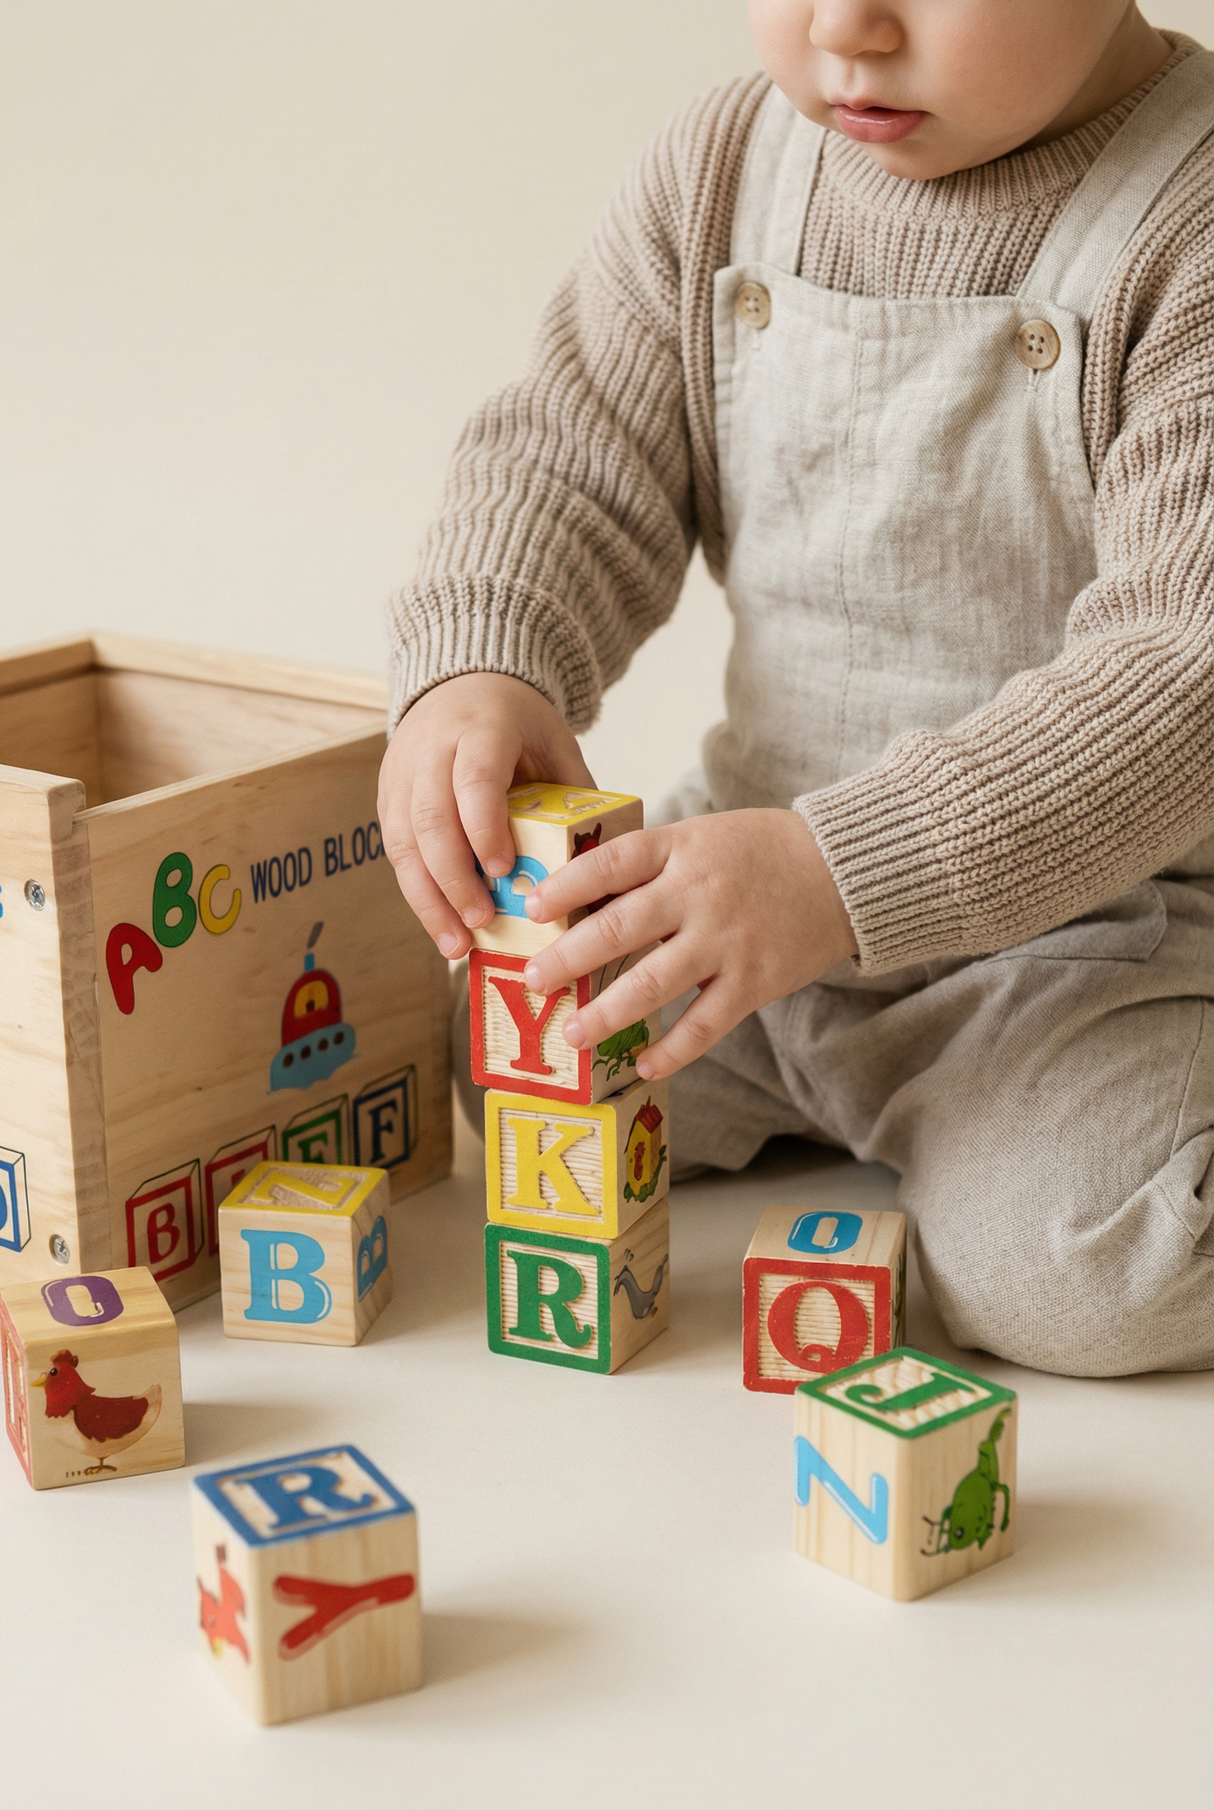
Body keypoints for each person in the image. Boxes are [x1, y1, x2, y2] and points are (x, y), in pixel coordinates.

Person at [378, 1, 1214, 1377]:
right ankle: (845, 1091)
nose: (848, 25)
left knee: (1097, 1267)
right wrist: (483, 659)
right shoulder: (723, 170)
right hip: (753, 880)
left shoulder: (1186, 214)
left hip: (1093, 936)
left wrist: (834, 874)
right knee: (492, 1035)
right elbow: (566, 464)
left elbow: (1177, 675)